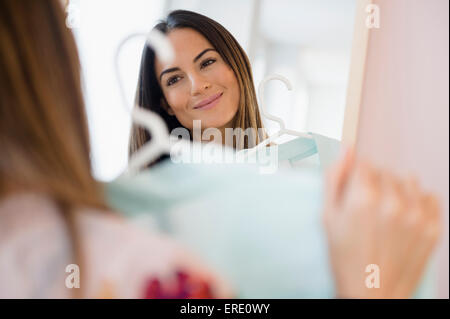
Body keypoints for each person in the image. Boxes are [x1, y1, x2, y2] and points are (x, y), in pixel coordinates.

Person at [0, 1, 441, 298]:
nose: (198, 86)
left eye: (207, 62)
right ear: (162, 105)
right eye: (173, 79)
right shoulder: (126, 216)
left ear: (236, 64)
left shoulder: (319, 160)